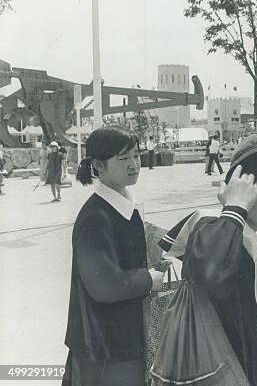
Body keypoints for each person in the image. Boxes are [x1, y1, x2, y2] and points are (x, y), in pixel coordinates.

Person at [157, 134, 257, 386]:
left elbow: (228, 318)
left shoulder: (252, 238)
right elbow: (210, 275)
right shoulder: (212, 226)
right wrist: (235, 206)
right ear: (242, 185)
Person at [62, 126, 165, 386]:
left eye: (137, 155)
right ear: (99, 166)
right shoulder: (96, 217)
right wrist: (149, 279)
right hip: (102, 346)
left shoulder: (122, 206)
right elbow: (104, 286)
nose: (134, 165)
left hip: (121, 338)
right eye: (123, 158)